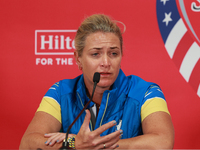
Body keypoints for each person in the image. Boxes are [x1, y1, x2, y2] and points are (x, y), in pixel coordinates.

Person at [19, 14, 174, 149]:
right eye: (95, 54)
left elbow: (163, 142)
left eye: (113, 53)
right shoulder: (60, 92)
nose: (106, 62)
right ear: (78, 59)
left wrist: (96, 145)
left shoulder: (147, 91)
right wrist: (75, 144)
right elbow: (28, 143)